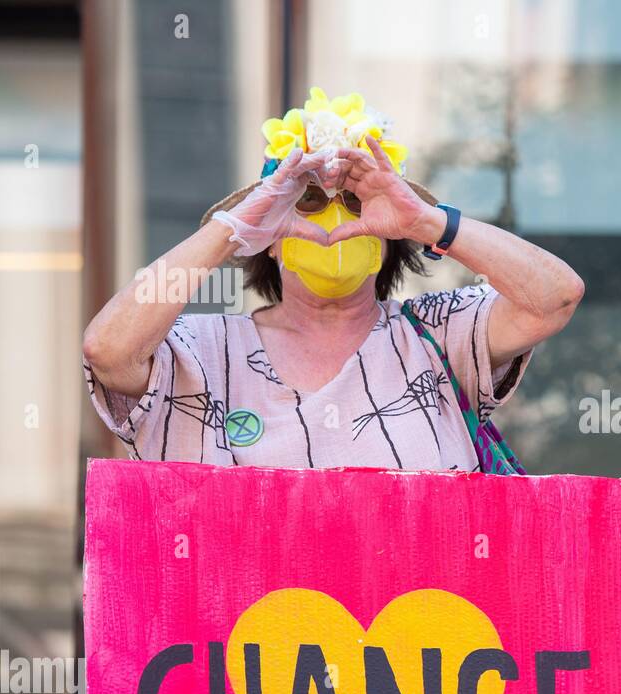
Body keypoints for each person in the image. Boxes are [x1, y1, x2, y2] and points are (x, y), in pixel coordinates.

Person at [82, 88, 582, 470]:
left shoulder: (438, 335)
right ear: (270, 239)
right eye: (309, 200)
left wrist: (427, 221)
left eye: (356, 202)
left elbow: (555, 297)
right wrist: (231, 230)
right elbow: (107, 350)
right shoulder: (200, 350)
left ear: (388, 238)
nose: (335, 221)